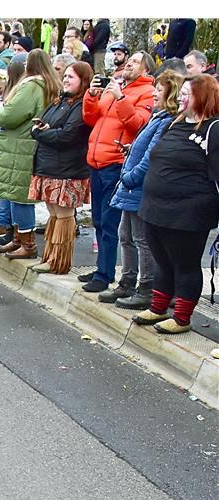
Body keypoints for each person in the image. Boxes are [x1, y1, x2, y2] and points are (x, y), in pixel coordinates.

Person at [131, 76, 219, 334]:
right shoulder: (174, 123)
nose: (180, 97)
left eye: (187, 94)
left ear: (203, 97)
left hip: (188, 212)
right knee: (163, 260)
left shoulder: (213, 129)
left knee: (185, 263)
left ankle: (182, 317)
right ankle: (158, 307)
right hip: (155, 207)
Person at [104, 69, 184, 308]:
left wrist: (130, 176)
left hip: (139, 186)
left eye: (159, 90)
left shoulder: (167, 120)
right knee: (125, 235)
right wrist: (130, 151)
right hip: (132, 186)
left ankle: (146, 286)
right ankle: (127, 280)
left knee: (141, 239)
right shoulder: (156, 117)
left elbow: (151, 155)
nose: (154, 94)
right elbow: (143, 148)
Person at [79, 51, 155, 293]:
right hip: (96, 161)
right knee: (99, 221)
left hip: (114, 163)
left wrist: (120, 97)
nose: (128, 64)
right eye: (129, 61)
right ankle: (104, 267)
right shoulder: (116, 88)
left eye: (134, 62)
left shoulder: (146, 93)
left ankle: (105, 274)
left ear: (146, 70)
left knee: (110, 222)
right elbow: (92, 118)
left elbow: (137, 124)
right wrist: (91, 95)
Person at [0, 49, 57, 260]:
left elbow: (8, 116)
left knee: (20, 197)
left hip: (20, 148)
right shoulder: (50, 86)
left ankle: (27, 243)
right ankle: (18, 239)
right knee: (19, 195)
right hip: (28, 146)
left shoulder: (32, 87)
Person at [27, 61, 93, 274]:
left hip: (68, 169)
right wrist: (43, 131)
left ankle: (59, 261)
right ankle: (50, 256)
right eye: (64, 76)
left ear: (83, 81)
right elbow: (45, 126)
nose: (65, 79)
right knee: (53, 214)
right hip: (48, 164)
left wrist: (40, 133)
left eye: (71, 77)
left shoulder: (82, 104)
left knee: (64, 216)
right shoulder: (59, 101)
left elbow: (67, 135)